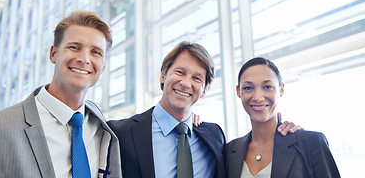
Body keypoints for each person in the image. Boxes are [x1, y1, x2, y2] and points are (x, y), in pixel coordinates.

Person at [108, 41, 300, 178]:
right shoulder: (120, 133)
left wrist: (286, 129)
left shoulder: (213, 135)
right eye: (180, 72)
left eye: (197, 78)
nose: (185, 83)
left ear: (204, 90)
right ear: (162, 76)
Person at [0, 10, 121, 178]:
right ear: (53, 54)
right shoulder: (3, 126)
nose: (84, 59)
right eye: (74, 47)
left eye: (96, 52)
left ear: (103, 66)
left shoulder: (102, 128)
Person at [224, 57, 341, 178]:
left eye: (267, 87)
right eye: (248, 88)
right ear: (238, 91)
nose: (258, 97)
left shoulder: (310, 143)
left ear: (281, 89)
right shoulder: (230, 151)